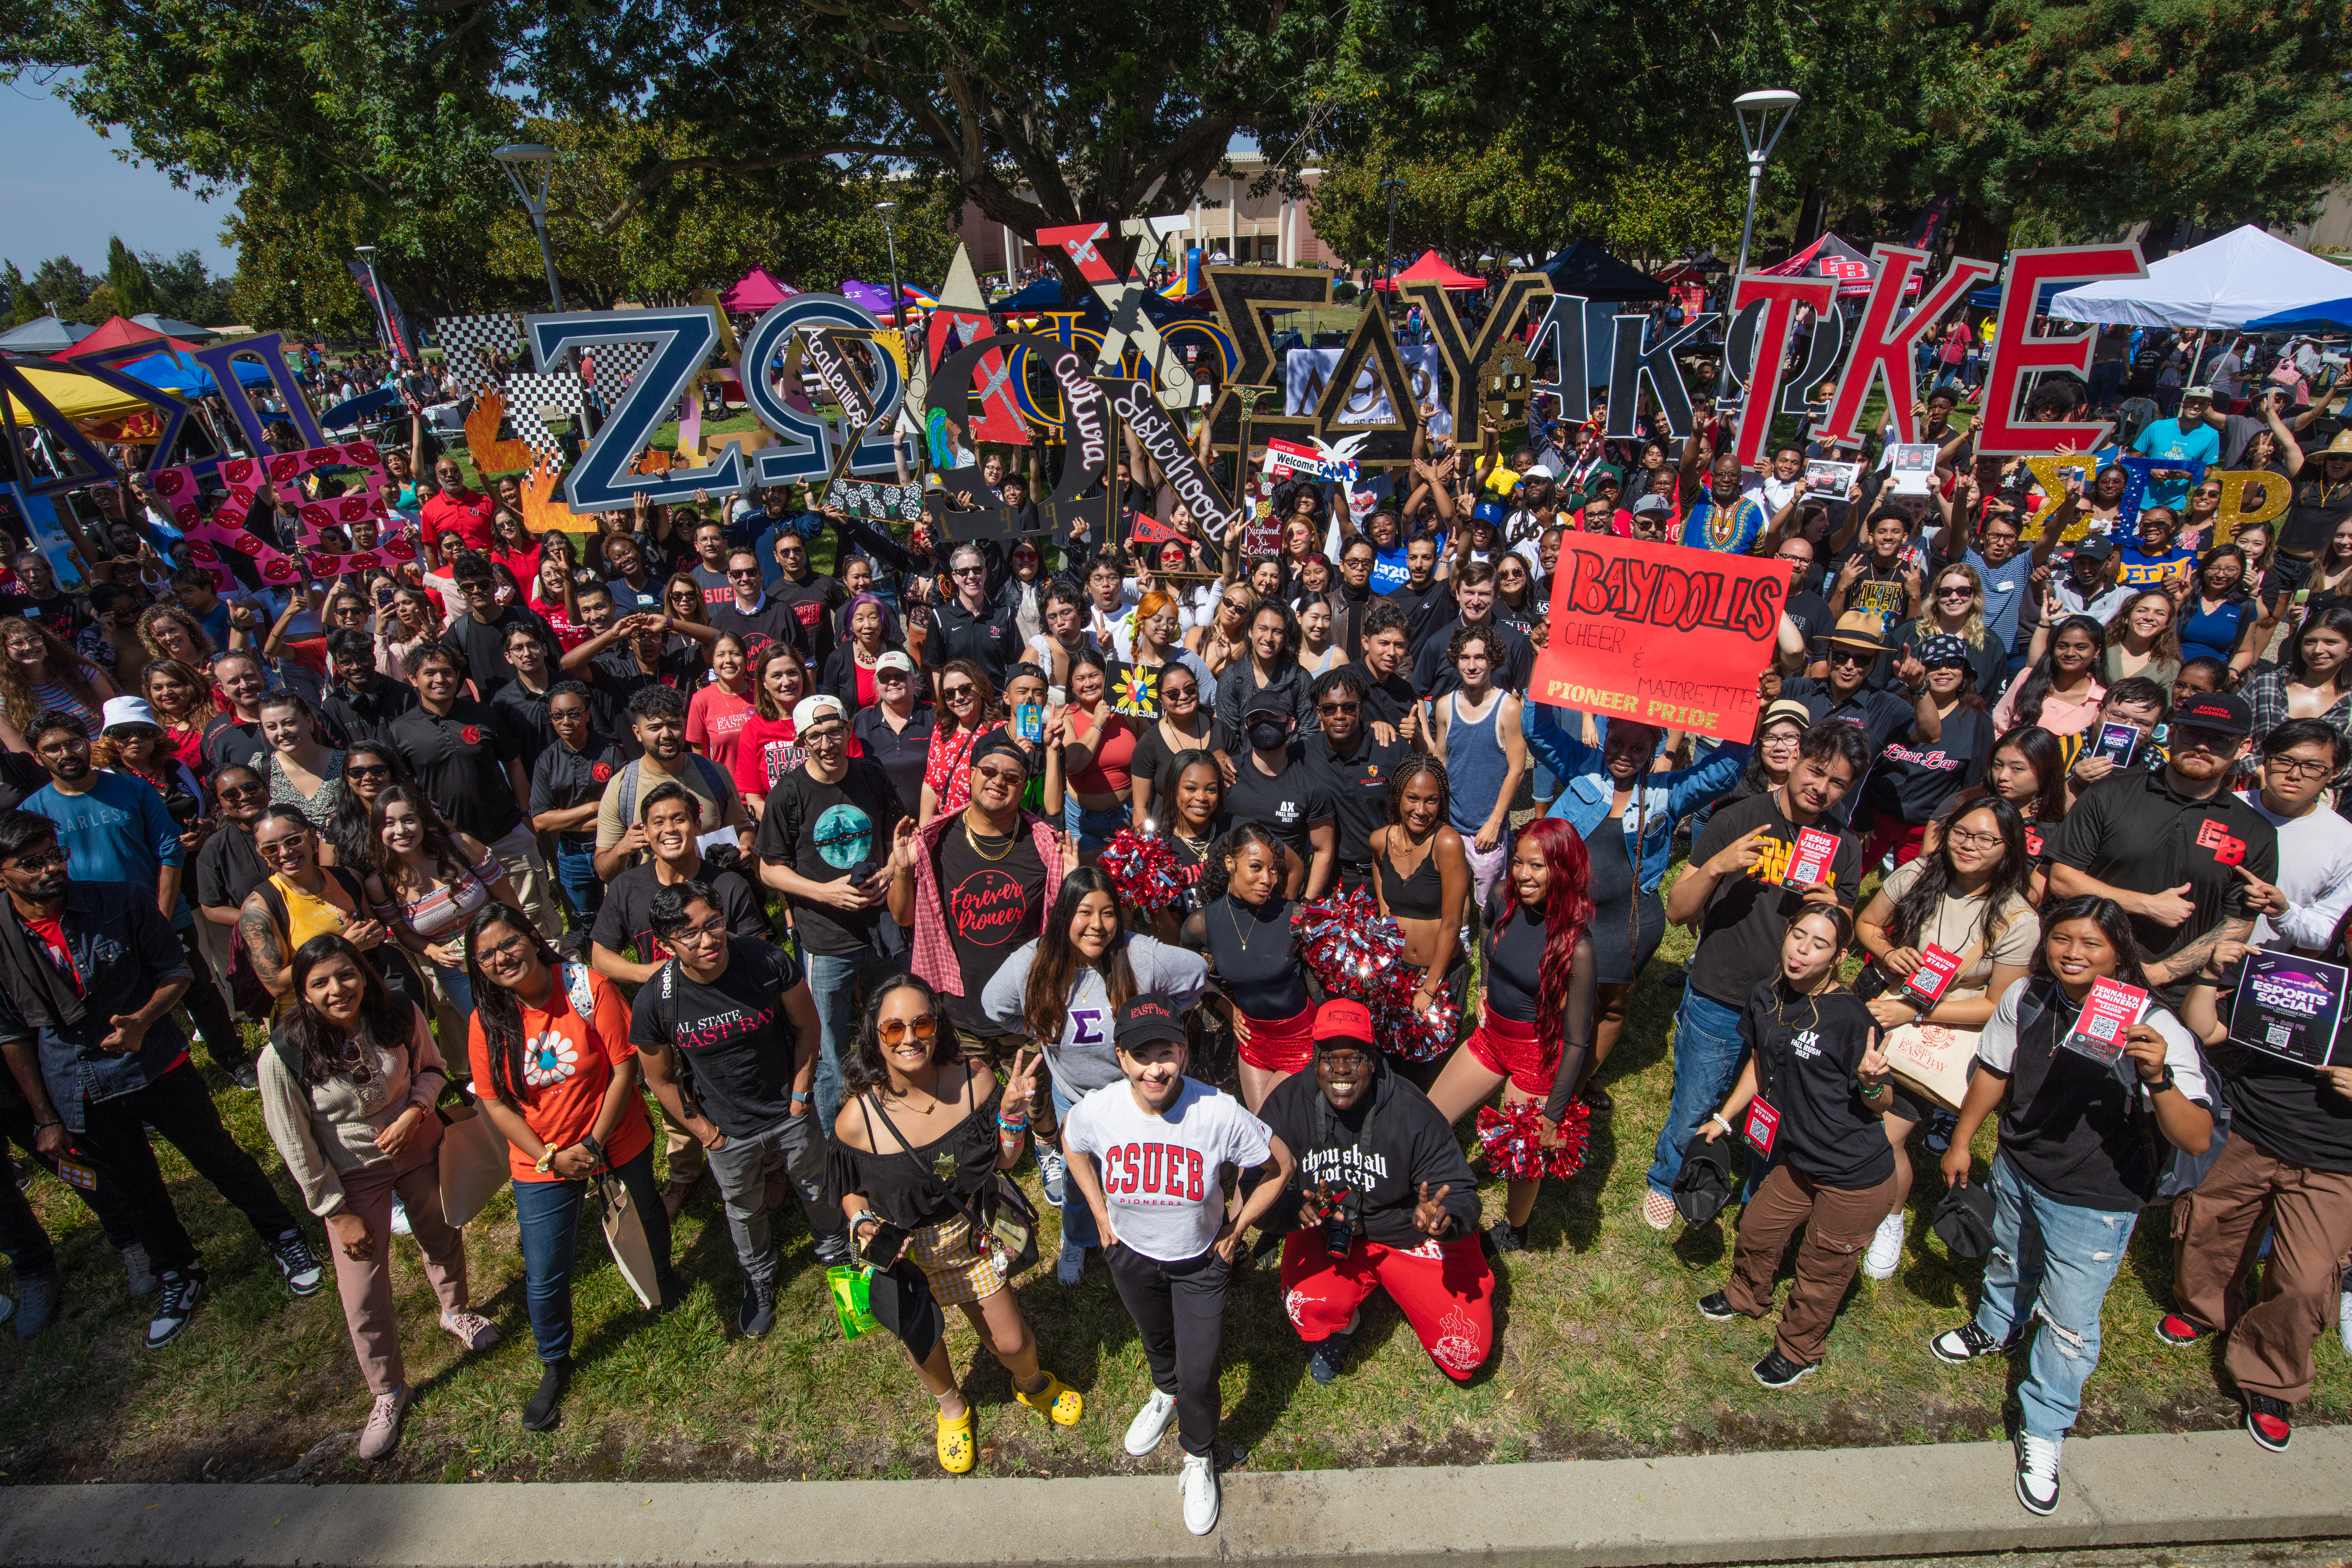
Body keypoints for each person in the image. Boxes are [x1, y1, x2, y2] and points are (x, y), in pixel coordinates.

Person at [1927, 897, 2214, 1516]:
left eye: (2091, 944)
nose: (2073, 953)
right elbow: (1994, 1068)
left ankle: (2044, 1427)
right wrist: (1961, 1139)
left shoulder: (2156, 1027)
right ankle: (1996, 1324)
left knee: (2068, 1322)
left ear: (2119, 953)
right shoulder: (2028, 996)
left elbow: (2194, 1136)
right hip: (2020, 1165)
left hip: (2097, 1199)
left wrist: (2158, 1076)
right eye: (2062, 938)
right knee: (2007, 1255)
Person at [0, 810, 324, 1350]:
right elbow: (11, 1034)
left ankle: (284, 1235)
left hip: (156, 1064)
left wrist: (143, 1022)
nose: (50, 869)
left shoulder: (120, 901)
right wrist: (45, 1117)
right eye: (31, 863)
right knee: (135, 1189)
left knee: (217, 1156)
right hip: (78, 1083)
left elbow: (177, 973)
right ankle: (178, 1272)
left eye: (55, 854)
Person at [827, 973, 1081, 1473]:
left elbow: (1004, 1164)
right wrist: (861, 1225)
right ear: (874, 1038)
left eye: (921, 1023)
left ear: (937, 1026)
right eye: (893, 1029)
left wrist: (1011, 1116)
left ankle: (1030, 1385)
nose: (910, 1039)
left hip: (971, 1236)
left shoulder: (974, 1080)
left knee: (1013, 1344)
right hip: (907, 1253)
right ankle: (952, 1410)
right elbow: (849, 1189)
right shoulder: (857, 1119)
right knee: (923, 1341)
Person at [1061, 993, 1292, 1534]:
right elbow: (1072, 1142)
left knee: (1200, 1370)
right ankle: (1162, 1392)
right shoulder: (1101, 1108)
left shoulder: (1216, 1111)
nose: (1154, 1069)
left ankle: (1197, 1454)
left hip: (1200, 1262)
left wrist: (1236, 1229)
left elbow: (1278, 1166)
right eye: (1141, 1057)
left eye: (1164, 1053)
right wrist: (1098, 1212)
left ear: (1183, 1054)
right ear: (1121, 1059)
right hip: (1130, 1254)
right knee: (1155, 1340)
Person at [258, 933, 492, 1460]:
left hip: (421, 1146)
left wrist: (415, 1111)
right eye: (320, 983)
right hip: (352, 1177)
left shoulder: (399, 1010)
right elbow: (295, 1144)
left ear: (364, 974)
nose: (338, 989)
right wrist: (335, 1213)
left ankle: (456, 1311)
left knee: (441, 1231)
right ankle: (388, 1390)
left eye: (347, 975)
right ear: (303, 991)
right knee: (362, 1290)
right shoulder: (283, 1054)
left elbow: (432, 1070)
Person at [464, 901, 676, 1430]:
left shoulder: (586, 986)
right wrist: (551, 1156)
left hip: (615, 1135)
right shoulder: (485, 1020)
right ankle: (555, 1361)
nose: (501, 958)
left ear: (531, 938)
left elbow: (624, 1065)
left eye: (508, 943)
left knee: (646, 1212)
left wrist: (595, 1142)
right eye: (486, 955)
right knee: (544, 1271)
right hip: (541, 1158)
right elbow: (494, 1103)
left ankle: (664, 1283)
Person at [1651, 722, 1871, 1230]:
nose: (1821, 788)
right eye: (1815, 771)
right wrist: (1716, 867)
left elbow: (1849, 937)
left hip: (1793, 1006)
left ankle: (1756, 1197)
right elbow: (1677, 912)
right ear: (1796, 758)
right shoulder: (1738, 817)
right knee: (1695, 1098)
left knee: (1772, 1110)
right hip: (1720, 992)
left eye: (1837, 783)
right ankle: (1667, 1178)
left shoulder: (1844, 847)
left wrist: (1832, 908)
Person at [1691, 903, 1898, 1386]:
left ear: (1839, 956)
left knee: (1820, 1270)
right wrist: (1725, 1117)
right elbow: (1761, 1062)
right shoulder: (1766, 995)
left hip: (1853, 1175)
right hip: (1799, 1159)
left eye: (1819, 944)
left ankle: (1798, 1349)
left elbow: (1880, 1104)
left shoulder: (1850, 1019)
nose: (1801, 951)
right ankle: (1745, 1296)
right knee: (1758, 1229)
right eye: (1797, 936)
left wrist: (1873, 1082)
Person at [630, 879, 848, 1335]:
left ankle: (836, 1252)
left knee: (816, 1186)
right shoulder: (656, 1000)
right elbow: (658, 1078)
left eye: (713, 923)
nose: (708, 939)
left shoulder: (765, 960)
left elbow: (808, 1026)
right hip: (726, 1129)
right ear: (666, 943)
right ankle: (761, 1279)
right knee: (744, 1209)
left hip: (788, 1110)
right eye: (690, 933)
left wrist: (800, 1095)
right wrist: (707, 1134)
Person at [2170, 920, 2352, 1454]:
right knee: (2211, 1227)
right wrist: (2209, 973)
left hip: (2335, 1162)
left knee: (2304, 1279)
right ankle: (2204, 1309)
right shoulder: (2303, 979)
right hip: (2251, 1132)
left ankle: (2269, 1377)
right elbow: (2204, 1031)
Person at [981, 867, 1210, 1281]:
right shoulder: (1032, 962)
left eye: (1108, 913)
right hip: (1074, 1096)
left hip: (1136, 1096)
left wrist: (1160, 1019)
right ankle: (1080, 1237)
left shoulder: (1138, 955)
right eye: (1085, 912)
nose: (1097, 925)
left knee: (1144, 1173)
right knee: (1076, 1179)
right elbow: (993, 1004)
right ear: (1065, 912)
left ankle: (1149, 1237)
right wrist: (1037, 1025)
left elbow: (1194, 972)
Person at [1256, 999, 1492, 1385]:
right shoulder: (1287, 1105)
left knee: (1465, 1352)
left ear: (1374, 1058)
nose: (1342, 1071)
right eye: (1330, 1058)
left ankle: (1417, 1279)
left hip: (1407, 1234)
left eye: (1355, 1058)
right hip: (1329, 1230)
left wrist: (1443, 1220)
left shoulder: (1411, 1110)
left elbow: (1463, 1191)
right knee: (1306, 1307)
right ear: (1314, 1058)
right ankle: (1344, 1323)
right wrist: (1291, 1213)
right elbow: (1253, 1186)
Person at [1853, 797, 2041, 1278]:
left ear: (2008, 848)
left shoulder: (2016, 920)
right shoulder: (1918, 874)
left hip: (1933, 1032)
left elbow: (1998, 1003)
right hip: (1878, 1011)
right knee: (1846, 1115)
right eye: (1961, 833)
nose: (1969, 846)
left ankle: (1889, 1219)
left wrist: (1916, 1013)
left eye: (1985, 839)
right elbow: (1867, 925)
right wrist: (1890, 954)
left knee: (1884, 1135)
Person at [1523, 708, 1750, 1103]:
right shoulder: (1581, 765)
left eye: (1638, 747)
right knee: (1557, 996)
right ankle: (1548, 1071)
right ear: (1605, 734)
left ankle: (1578, 1082)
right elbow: (1536, 729)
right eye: (1616, 743)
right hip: (1569, 915)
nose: (1624, 754)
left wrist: (1750, 713)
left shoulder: (1667, 791)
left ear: (1655, 747)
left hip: (1628, 923)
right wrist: (1542, 665)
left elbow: (1725, 771)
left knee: (1612, 1007)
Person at [22, 709, 248, 1084]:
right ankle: (151, 1076)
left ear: (88, 744)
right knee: (120, 1005)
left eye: (72, 743)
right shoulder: (34, 811)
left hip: (161, 915)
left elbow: (169, 851)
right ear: (38, 758)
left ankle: (233, 1056)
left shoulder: (133, 789)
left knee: (195, 986)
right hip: (94, 930)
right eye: (53, 749)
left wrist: (159, 919)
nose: (65, 754)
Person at [2046, 689, 2279, 1006]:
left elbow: (2238, 924)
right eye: (2191, 732)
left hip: (2172, 992)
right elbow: (2062, 879)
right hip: (2081, 972)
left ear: (2244, 748)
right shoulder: (2109, 794)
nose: (2201, 745)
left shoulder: (2255, 831)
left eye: (2220, 740)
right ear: (2171, 734)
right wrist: (2145, 904)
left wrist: (2155, 974)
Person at [755, 694, 903, 1130]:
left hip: (879, 930)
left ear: (847, 731)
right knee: (829, 1046)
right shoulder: (788, 793)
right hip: (824, 937)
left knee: (890, 1026)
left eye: (834, 731)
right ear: (801, 741)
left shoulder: (870, 777)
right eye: (815, 736)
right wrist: (823, 893)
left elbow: (899, 837)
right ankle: (837, 1137)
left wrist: (890, 873)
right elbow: (768, 868)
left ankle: (895, 1115)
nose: (827, 743)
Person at [391, 643, 559, 938]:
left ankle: (555, 966)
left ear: (459, 676)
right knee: (480, 922)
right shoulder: (400, 730)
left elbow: (514, 764)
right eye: (430, 673)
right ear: (412, 678)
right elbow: (406, 790)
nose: (440, 679)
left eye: (448, 672)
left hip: (506, 833)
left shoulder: (484, 714)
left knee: (534, 912)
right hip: (450, 848)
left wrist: (525, 816)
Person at [1185, 822, 1315, 1111]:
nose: (1267, 879)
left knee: (1280, 1123)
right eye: (1256, 867)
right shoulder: (1203, 923)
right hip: (1253, 1045)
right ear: (1230, 863)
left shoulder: (1294, 917)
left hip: (1300, 1042)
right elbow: (1186, 974)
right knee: (1264, 1134)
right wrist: (1225, 1007)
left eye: (1272, 869)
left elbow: (1321, 987)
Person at [1858, 634, 1996, 869]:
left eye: (1953, 663)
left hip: (1928, 827)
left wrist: (1953, 828)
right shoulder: (1896, 706)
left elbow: (1975, 782)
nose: (1944, 671)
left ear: (1965, 673)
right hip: (1876, 817)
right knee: (1840, 878)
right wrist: (1861, 816)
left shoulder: (1979, 722)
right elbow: (1865, 765)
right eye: (1934, 664)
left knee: (1911, 893)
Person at [591, 684, 753, 881]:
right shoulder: (622, 788)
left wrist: (746, 848)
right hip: (656, 904)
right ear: (637, 732)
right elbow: (605, 872)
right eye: (655, 727)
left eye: (675, 725)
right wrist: (622, 848)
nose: (667, 734)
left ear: (685, 725)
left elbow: (743, 829)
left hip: (715, 891)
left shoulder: (715, 774)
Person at [1367, 756, 1472, 1058]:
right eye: (1412, 798)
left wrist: (1429, 987)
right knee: (1391, 1059)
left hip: (1438, 974)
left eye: (1432, 801)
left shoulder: (1447, 843)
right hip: (1396, 974)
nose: (1421, 810)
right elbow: (1385, 912)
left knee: (1431, 1065)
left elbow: (1452, 923)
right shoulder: (1379, 841)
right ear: (1398, 796)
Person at [2235, 720, 2352, 951]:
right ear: (2266, 760)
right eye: (2285, 761)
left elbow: (2329, 929)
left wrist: (2284, 913)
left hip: (2261, 979)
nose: (2295, 774)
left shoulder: (2346, 841)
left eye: (2313, 767)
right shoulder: (2221, 808)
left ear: (2334, 773)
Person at [1429, 624, 1525, 906]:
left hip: (1487, 826)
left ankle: (1486, 946)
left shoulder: (1507, 708)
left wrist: (1495, 822)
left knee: (1489, 901)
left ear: (1492, 660)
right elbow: (1441, 759)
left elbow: (1517, 769)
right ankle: (1459, 941)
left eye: (1479, 657)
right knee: (1453, 893)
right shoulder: (1445, 705)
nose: (1471, 666)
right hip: (1451, 822)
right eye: (1464, 658)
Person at [529, 681, 626, 936]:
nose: (566, 721)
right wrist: (595, 807)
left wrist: (559, 818)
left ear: (587, 713)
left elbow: (624, 814)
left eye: (574, 713)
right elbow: (540, 822)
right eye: (558, 715)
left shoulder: (612, 752)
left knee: (627, 909)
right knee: (588, 919)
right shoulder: (547, 761)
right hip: (571, 851)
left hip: (615, 845)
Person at [0, 616, 119, 753]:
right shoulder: (5, 697)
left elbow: (117, 719)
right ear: (5, 650)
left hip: (108, 757)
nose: (28, 647)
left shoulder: (82, 673)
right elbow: (25, 755)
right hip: (60, 770)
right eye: (17, 643)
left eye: (33, 639)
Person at [1994, 615, 2108, 739]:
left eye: (2081, 648)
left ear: (2097, 651)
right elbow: (1998, 728)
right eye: (2063, 646)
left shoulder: (2102, 700)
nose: (2070, 653)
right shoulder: (2027, 678)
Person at [921, 659, 997, 823]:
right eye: (949, 693)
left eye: (965, 689)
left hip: (980, 832)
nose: (958, 698)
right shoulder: (942, 730)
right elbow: (930, 784)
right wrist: (923, 832)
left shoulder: (1000, 731)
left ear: (980, 686)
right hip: (944, 831)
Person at [2100, 588, 2183, 691]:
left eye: (2160, 613)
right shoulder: (2100, 650)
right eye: (2142, 611)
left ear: (2167, 624)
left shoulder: (2170, 667)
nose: (2149, 617)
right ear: (2126, 617)